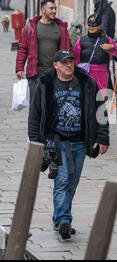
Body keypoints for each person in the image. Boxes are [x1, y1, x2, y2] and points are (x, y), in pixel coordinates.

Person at [28, 50, 110, 240]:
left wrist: (102, 137)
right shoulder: (46, 84)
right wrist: (36, 144)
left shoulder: (87, 83)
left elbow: (100, 110)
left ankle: (60, 218)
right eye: (64, 62)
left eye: (71, 62)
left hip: (79, 141)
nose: (68, 65)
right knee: (62, 180)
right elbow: (35, 115)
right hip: (57, 141)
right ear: (55, 65)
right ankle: (64, 220)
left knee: (72, 183)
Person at [15, 0, 73, 103]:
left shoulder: (61, 28)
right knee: (36, 106)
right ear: (43, 10)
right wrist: (19, 68)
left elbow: (69, 49)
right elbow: (22, 48)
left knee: (54, 105)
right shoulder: (31, 28)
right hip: (35, 74)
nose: (54, 11)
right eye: (51, 8)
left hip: (56, 74)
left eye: (55, 8)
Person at [73, 13, 117, 94]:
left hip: (102, 74)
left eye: (94, 26)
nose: (91, 28)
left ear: (99, 26)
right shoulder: (81, 40)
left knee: (100, 98)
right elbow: (76, 58)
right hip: (85, 73)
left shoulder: (107, 40)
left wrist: (111, 48)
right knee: (87, 97)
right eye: (90, 25)